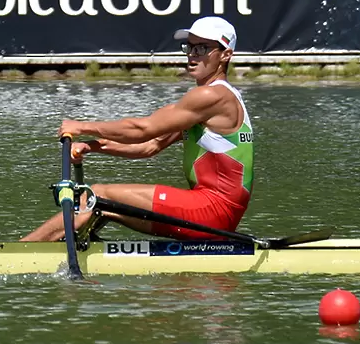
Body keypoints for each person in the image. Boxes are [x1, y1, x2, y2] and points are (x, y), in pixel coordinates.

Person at [20, 16, 254, 242]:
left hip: (212, 211)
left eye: (202, 49)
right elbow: (149, 146)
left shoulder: (212, 96)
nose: (192, 55)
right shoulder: (212, 101)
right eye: (190, 47)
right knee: (100, 205)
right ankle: (68, 246)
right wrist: (92, 147)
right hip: (213, 211)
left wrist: (82, 126)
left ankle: (21, 253)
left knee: (97, 195)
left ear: (225, 55)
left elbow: (143, 129)